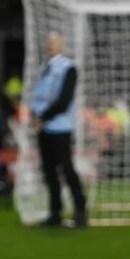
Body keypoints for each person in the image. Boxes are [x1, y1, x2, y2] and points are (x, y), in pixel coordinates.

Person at [30, 32, 87, 228]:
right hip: (44, 128)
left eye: (54, 42)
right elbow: (39, 96)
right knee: (49, 172)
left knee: (67, 169)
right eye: (49, 42)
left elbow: (64, 100)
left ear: (62, 44)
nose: (50, 45)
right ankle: (55, 213)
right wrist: (35, 117)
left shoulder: (69, 68)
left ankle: (80, 211)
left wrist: (42, 117)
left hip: (61, 128)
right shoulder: (44, 68)